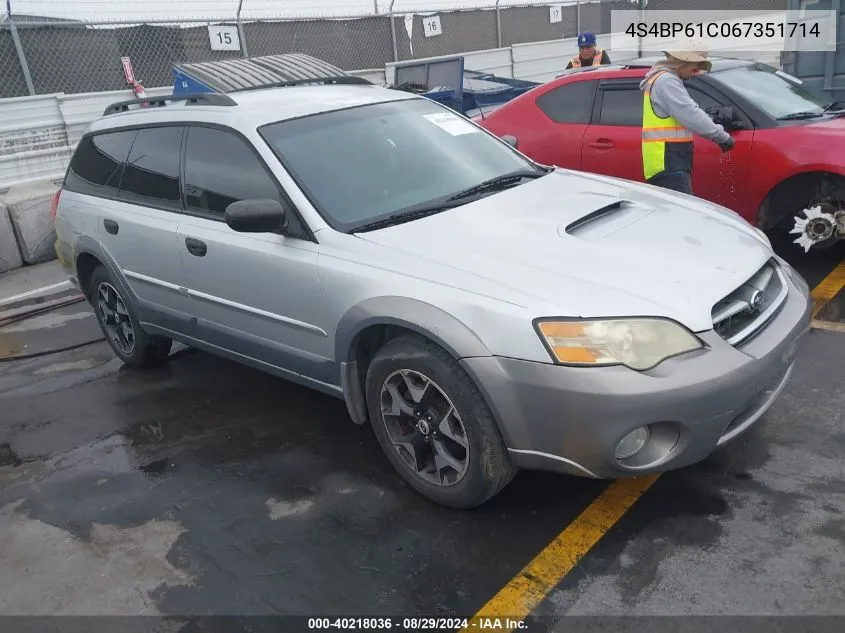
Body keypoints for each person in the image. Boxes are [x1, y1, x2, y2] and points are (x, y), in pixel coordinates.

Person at [640, 47, 735, 195]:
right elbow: (691, 114)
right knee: (681, 215)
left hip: (666, 161)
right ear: (683, 62)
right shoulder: (666, 81)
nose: (697, 70)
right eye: (696, 65)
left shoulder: (663, 80)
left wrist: (710, 122)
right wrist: (720, 136)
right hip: (669, 163)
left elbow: (686, 113)